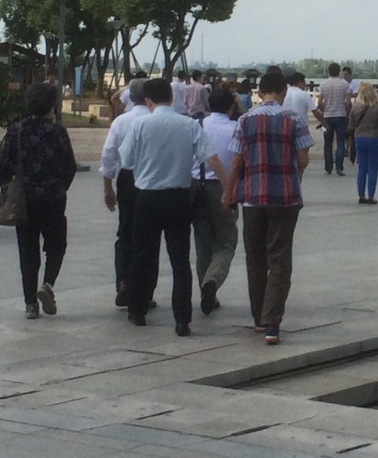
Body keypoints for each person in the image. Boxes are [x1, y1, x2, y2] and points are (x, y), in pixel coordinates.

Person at [119, 78, 227, 335]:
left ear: (147, 101)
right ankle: (182, 319)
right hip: (179, 197)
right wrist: (227, 189)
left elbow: (126, 160)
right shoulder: (188, 124)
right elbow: (211, 158)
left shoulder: (140, 124)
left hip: (146, 197)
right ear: (171, 97)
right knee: (180, 260)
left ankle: (138, 310)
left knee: (143, 255)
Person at [222, 71, 313, 345]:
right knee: (280, 259)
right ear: (283, 91)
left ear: (260, 93)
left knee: (255, 258)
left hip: (252, 198)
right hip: (285, 198)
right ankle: (273, 322)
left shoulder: (245, 119)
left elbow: (236, 161)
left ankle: (259, 318)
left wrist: (228, 193)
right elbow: (303, 157)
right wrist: (290, 175)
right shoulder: (293, 119)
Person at [0, 83, 77, 319]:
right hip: (53, 198)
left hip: (24, 200)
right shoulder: (58, 132)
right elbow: (70, 165)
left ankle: (30, 304)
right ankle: (48, 284)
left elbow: (3, 165)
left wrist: (7, 186)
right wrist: (61, 187)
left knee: (27, 251)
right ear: (51, 105)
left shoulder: (16, 130)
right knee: (56, 245)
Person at [99, 78, 149, 308]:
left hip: (127, 178)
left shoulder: (121, 121)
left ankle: (123, 280)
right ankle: (143, 289)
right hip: (150, 179)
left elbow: (108, 155)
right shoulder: (152, 119)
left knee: (125, 232)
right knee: (147, 236)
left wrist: (108, 187)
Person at [192, 86, 239, 315]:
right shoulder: (235, 128)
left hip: (196, 187)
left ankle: (205, 290)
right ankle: (212, 282)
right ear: (231, 106)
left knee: (203, 244)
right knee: (225, 242)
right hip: (223, 187)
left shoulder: (197, 125)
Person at [349, 83, 378, 204]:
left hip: (359, 138)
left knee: (362, 168)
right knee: (373, 168)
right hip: (375, 138)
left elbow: (352, 124)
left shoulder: (355, 107)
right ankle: (371, 196)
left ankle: (361, 195)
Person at [317, 62, 350, 176]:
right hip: (341, 116)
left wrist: (323, 111)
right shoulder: (344, 84)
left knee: (327, 142)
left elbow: (320, 102)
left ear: (328, 71)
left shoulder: (324, 84)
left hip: (327, 117)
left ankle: (328, 167)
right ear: (339, 71)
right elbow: (348, 102)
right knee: (340, 142)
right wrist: (347, 113)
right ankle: (339, 167)